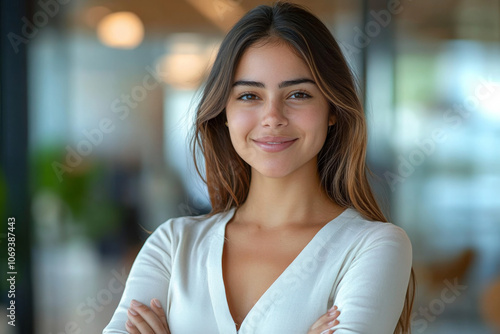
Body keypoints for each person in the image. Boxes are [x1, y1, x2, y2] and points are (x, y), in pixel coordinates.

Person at [103, 1, 414, 333]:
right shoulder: (172, 245)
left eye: (298, 94)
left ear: (332, 109)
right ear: (224, 113)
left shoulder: (375, 247)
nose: (273, 118)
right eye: (249, 96)